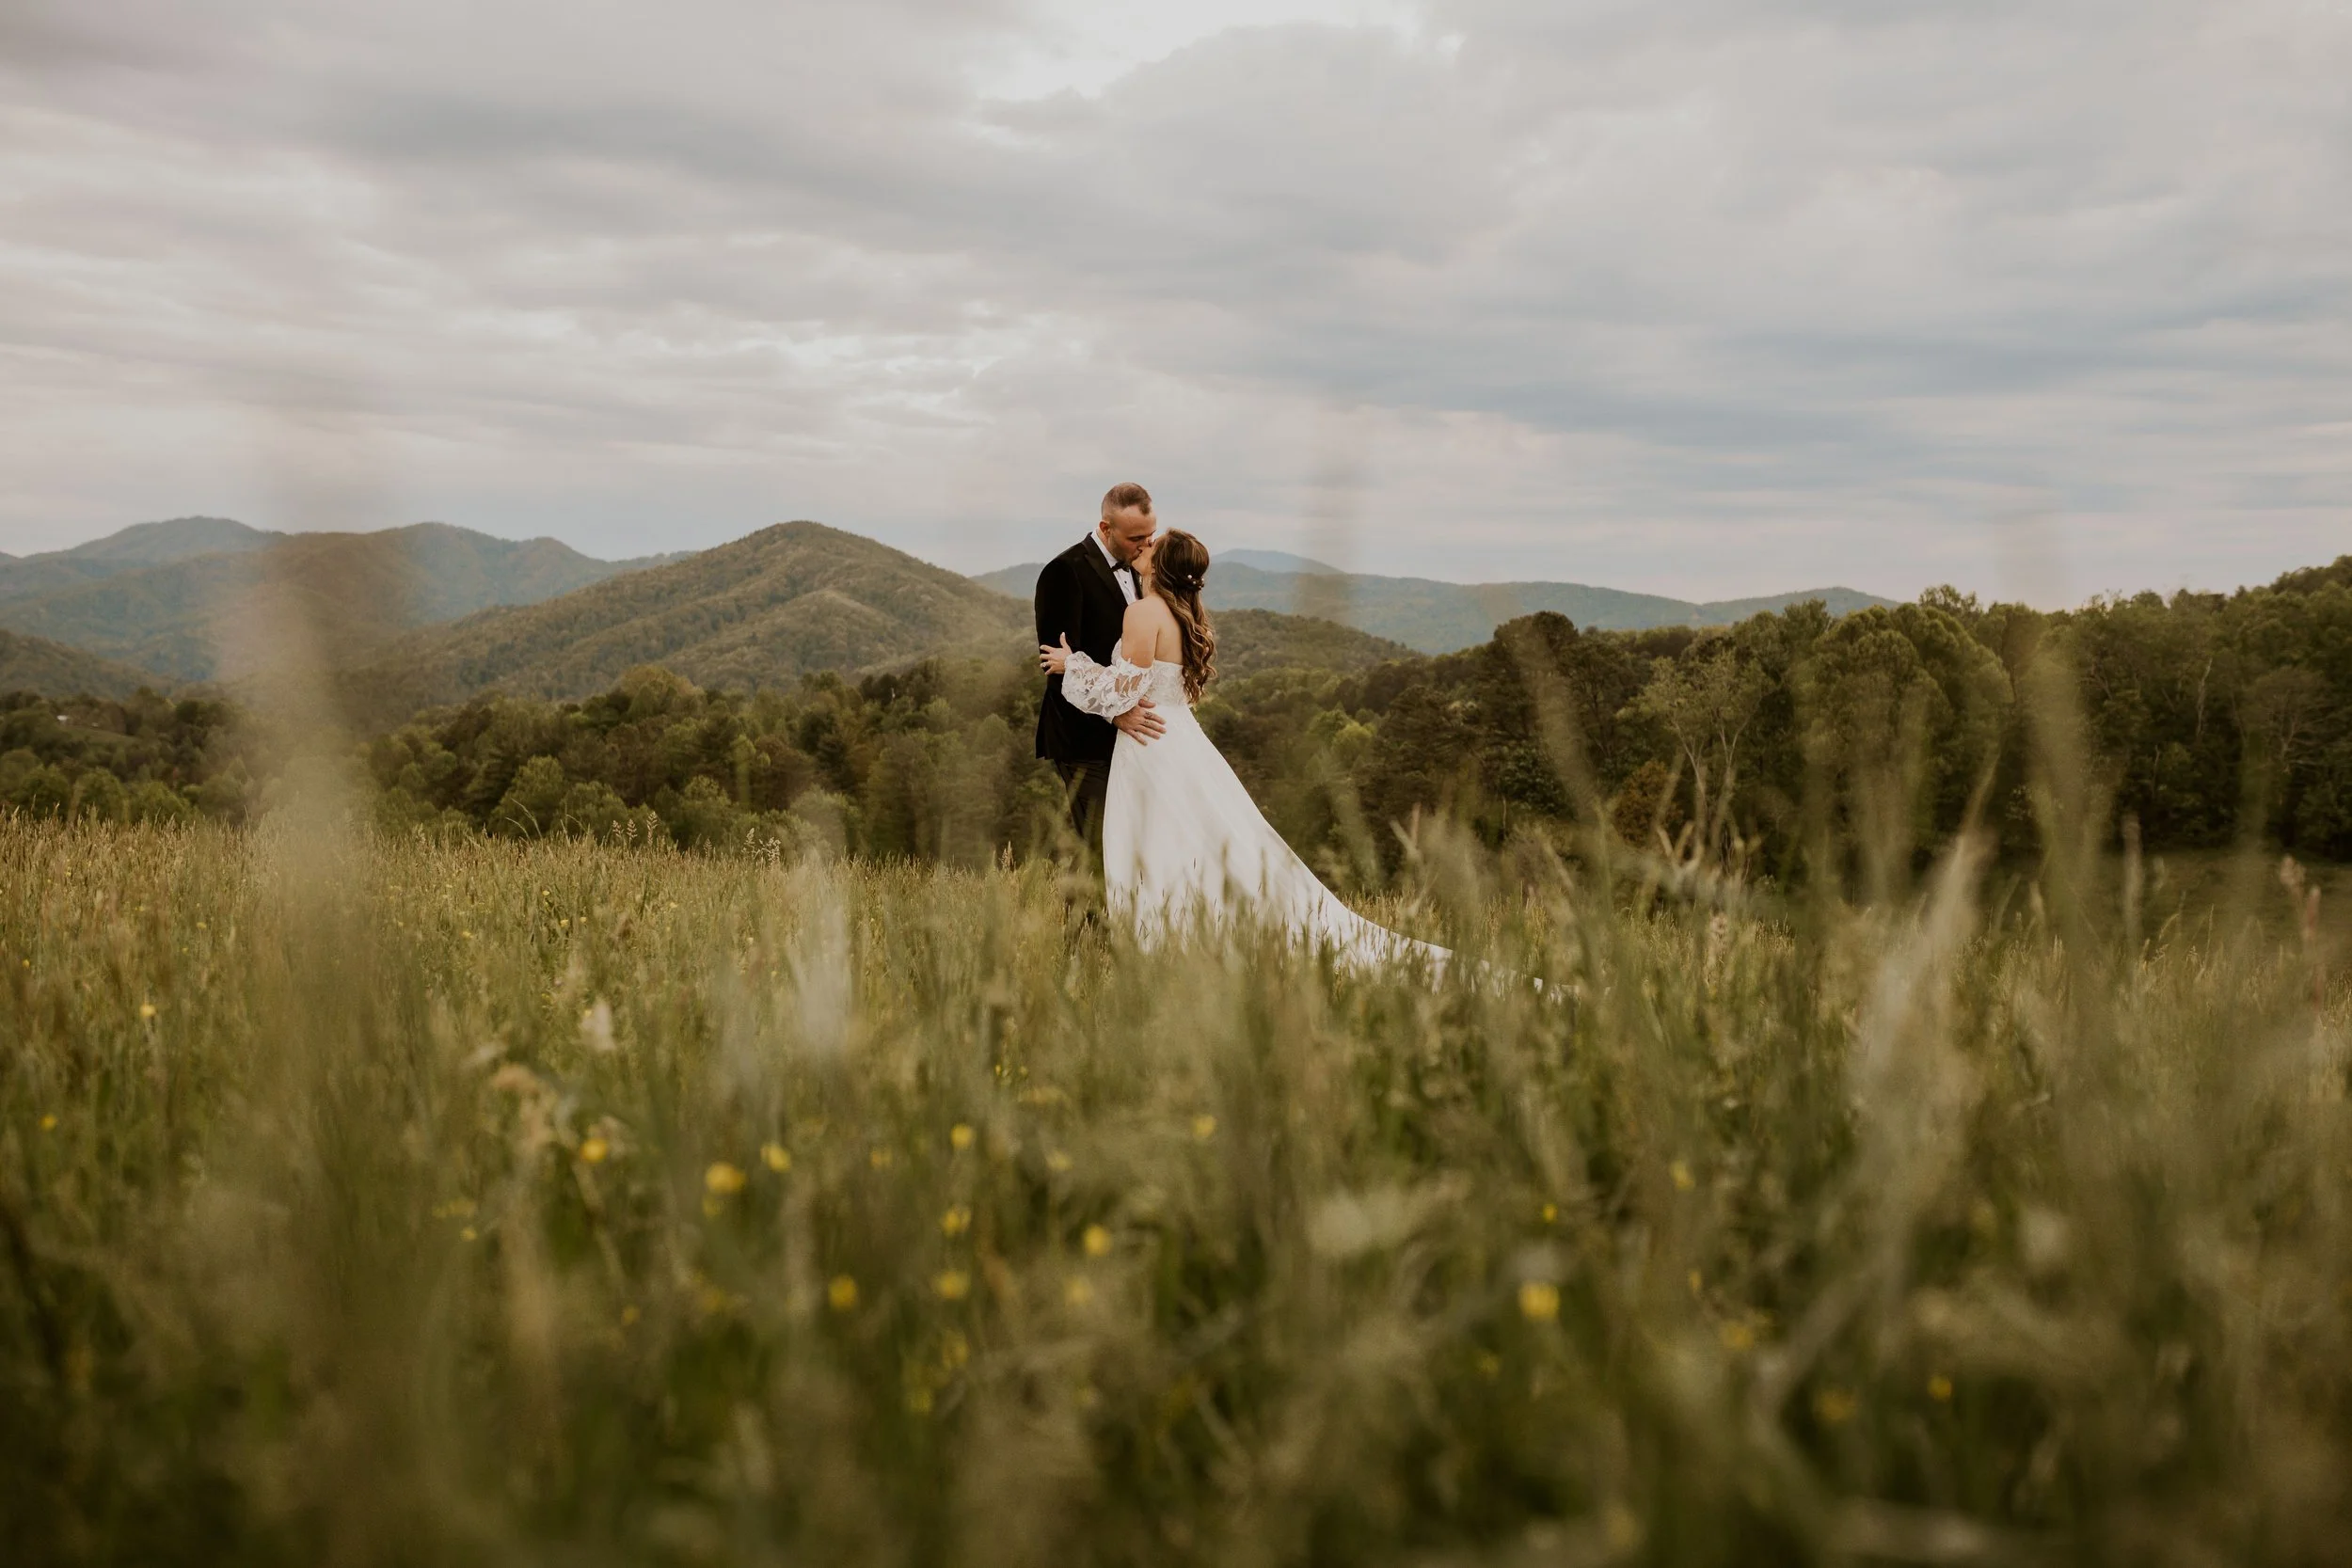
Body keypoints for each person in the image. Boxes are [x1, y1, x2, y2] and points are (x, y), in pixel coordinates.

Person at [1041, 525, 1447, 968]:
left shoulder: (1142, 613)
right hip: (1180, 738)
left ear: (1160, 564)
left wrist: (1071, 664)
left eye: (1154, 544)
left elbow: (1124, 691)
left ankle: (1164, 944)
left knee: (1158, 841)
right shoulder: (1183, 614)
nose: (1145, 545)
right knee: (1193, 841)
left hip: (1150, 742)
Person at [1032, 482, 1167, 857]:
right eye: (1136, 537)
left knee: (1131, 846)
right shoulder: (1064, 571)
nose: (1146, 545)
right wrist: (1115, 715)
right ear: (1105, 529)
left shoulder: (1146, 569)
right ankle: (1085, 919)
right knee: (1099, 848)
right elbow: (1055, 665)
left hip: (1133, 737)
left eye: (1151, 535)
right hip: (1083, 738)